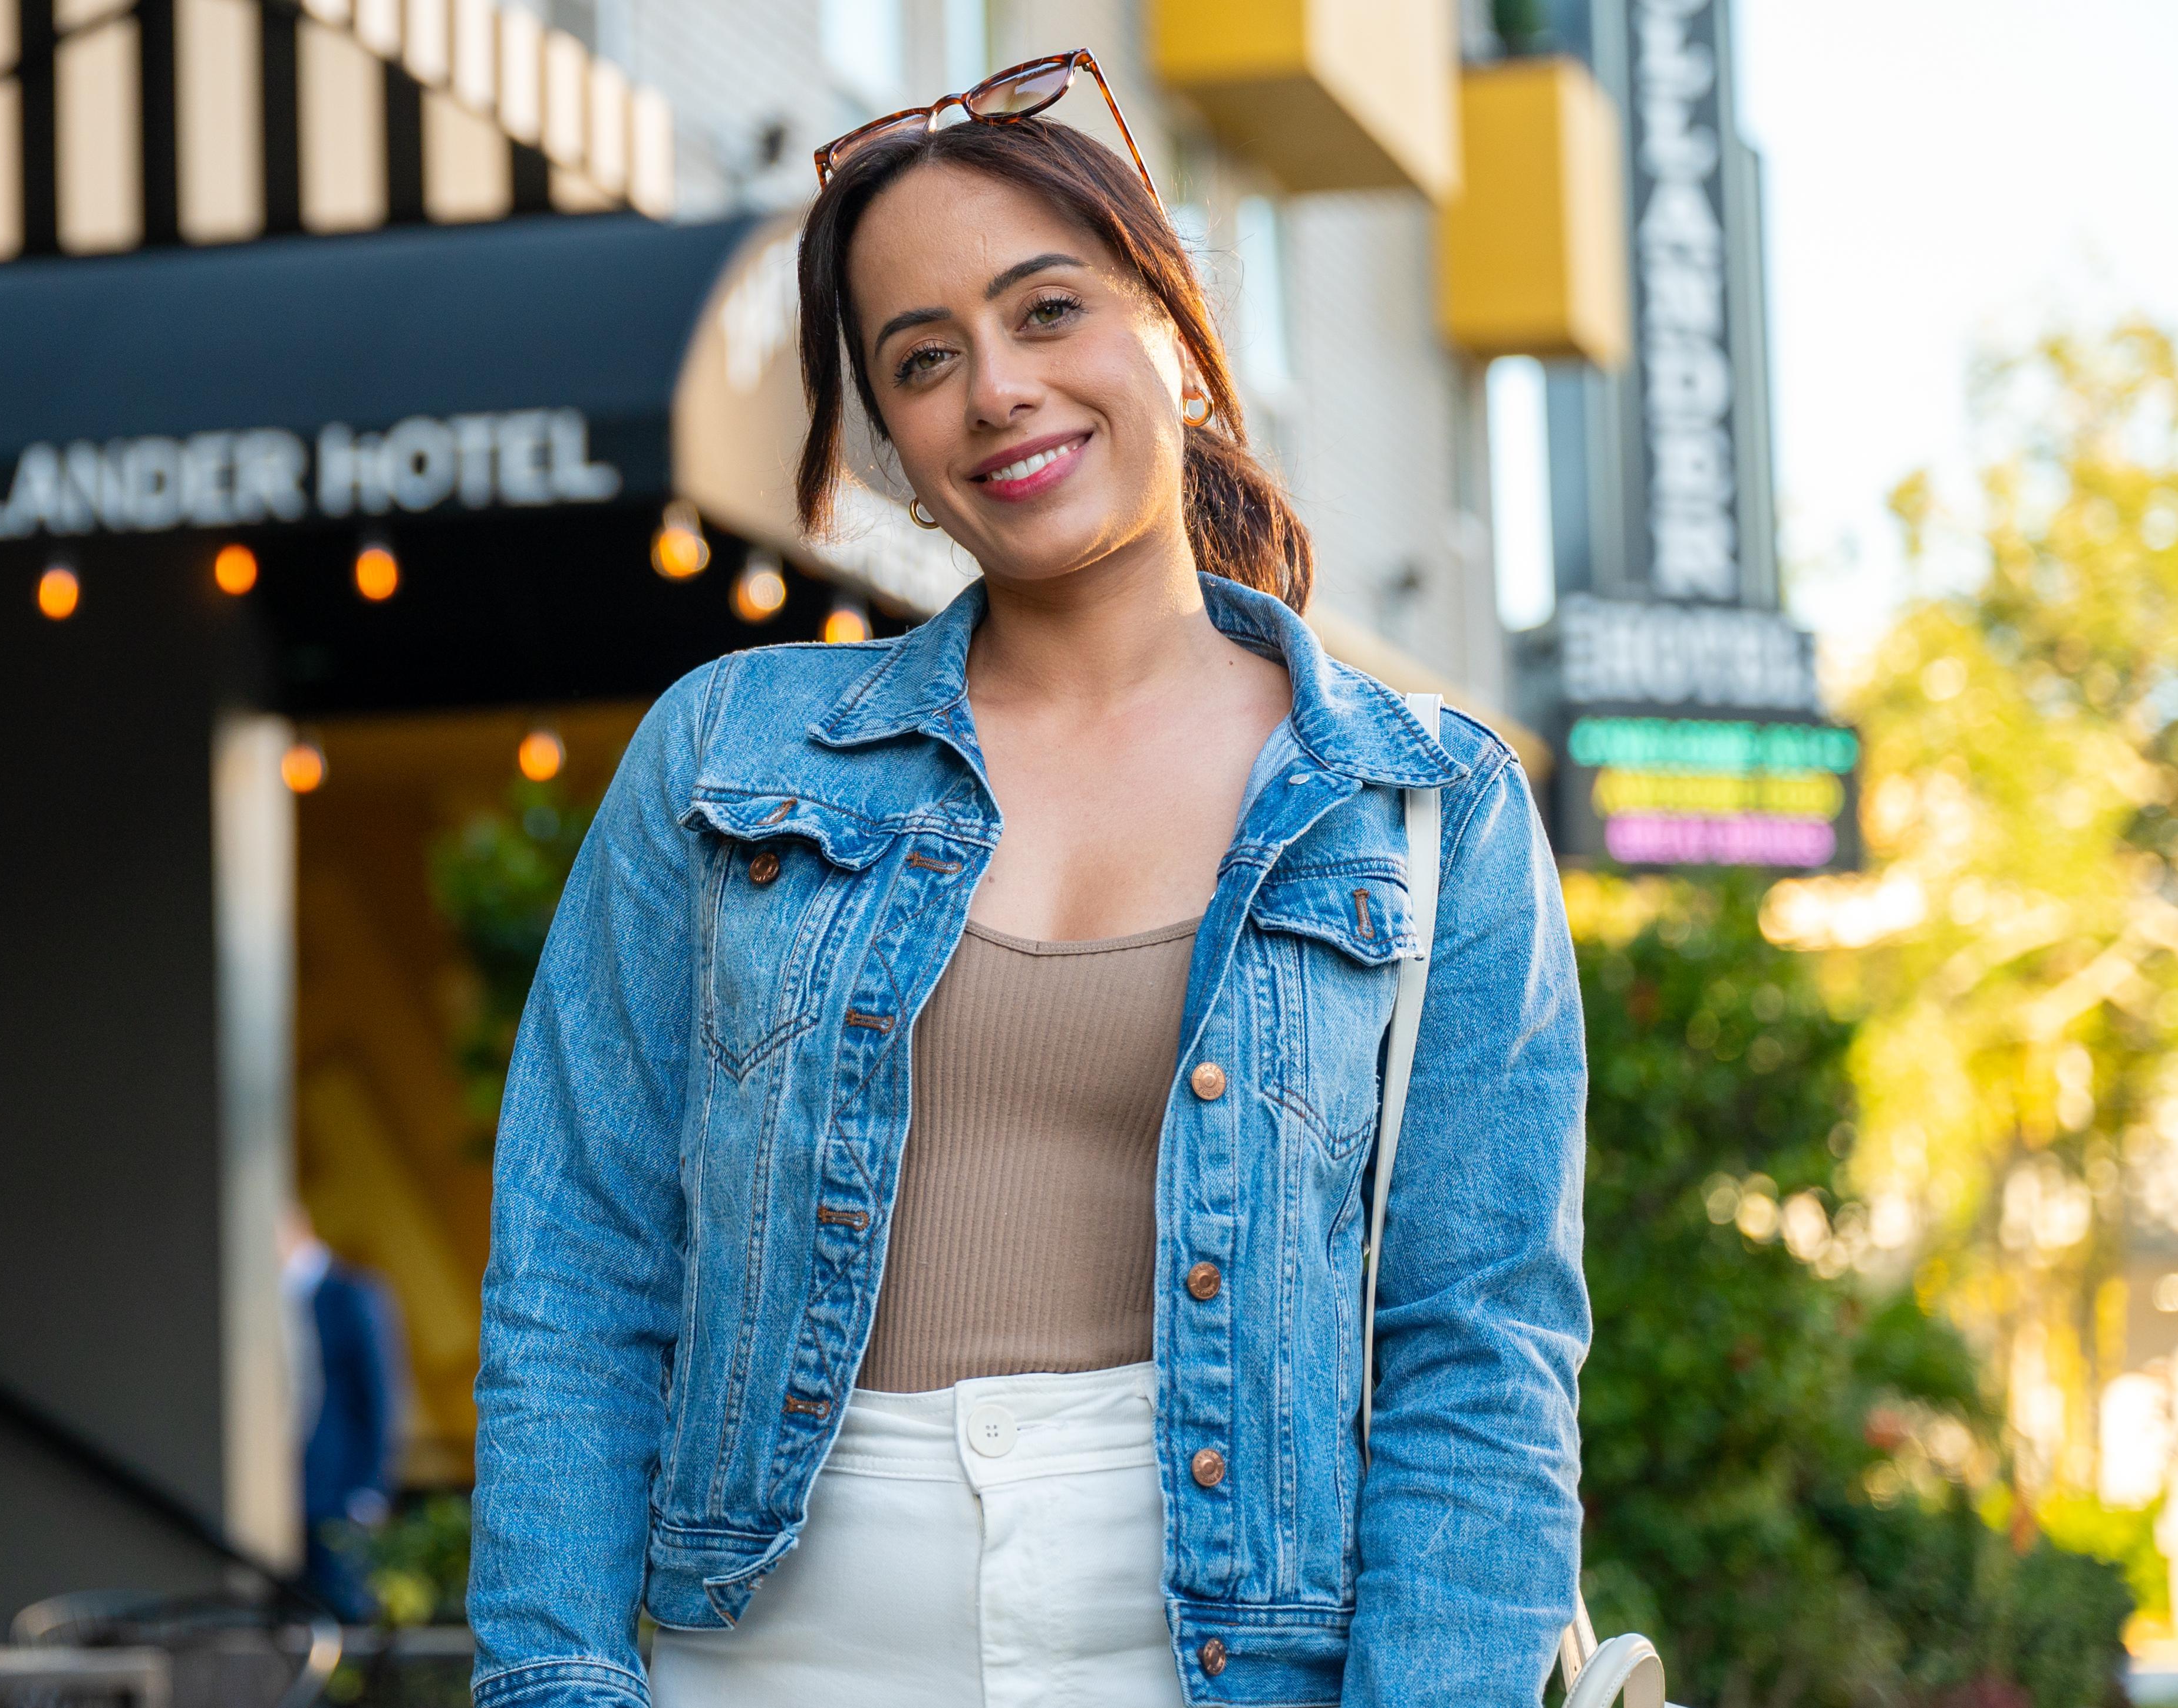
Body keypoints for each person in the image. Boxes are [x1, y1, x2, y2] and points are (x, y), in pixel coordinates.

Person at [468, 51, 1587, 1708]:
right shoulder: (729, 755)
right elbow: (577, 1263)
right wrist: (557, 1679)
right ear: (902, 458)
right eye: (924, 361)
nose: (997, 387)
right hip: (770, 1654)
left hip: (1221, 1653)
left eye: (1047, 310)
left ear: (1178, 341)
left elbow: (1478, 1351)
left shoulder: (1425, 807)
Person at [279, 1202, 407, 1620]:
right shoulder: (268, 1302)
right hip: (283, 1496)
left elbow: (383, 1396)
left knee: (348, 1614)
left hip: (339, 1494)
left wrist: (370, 1488)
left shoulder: (353, 1293)